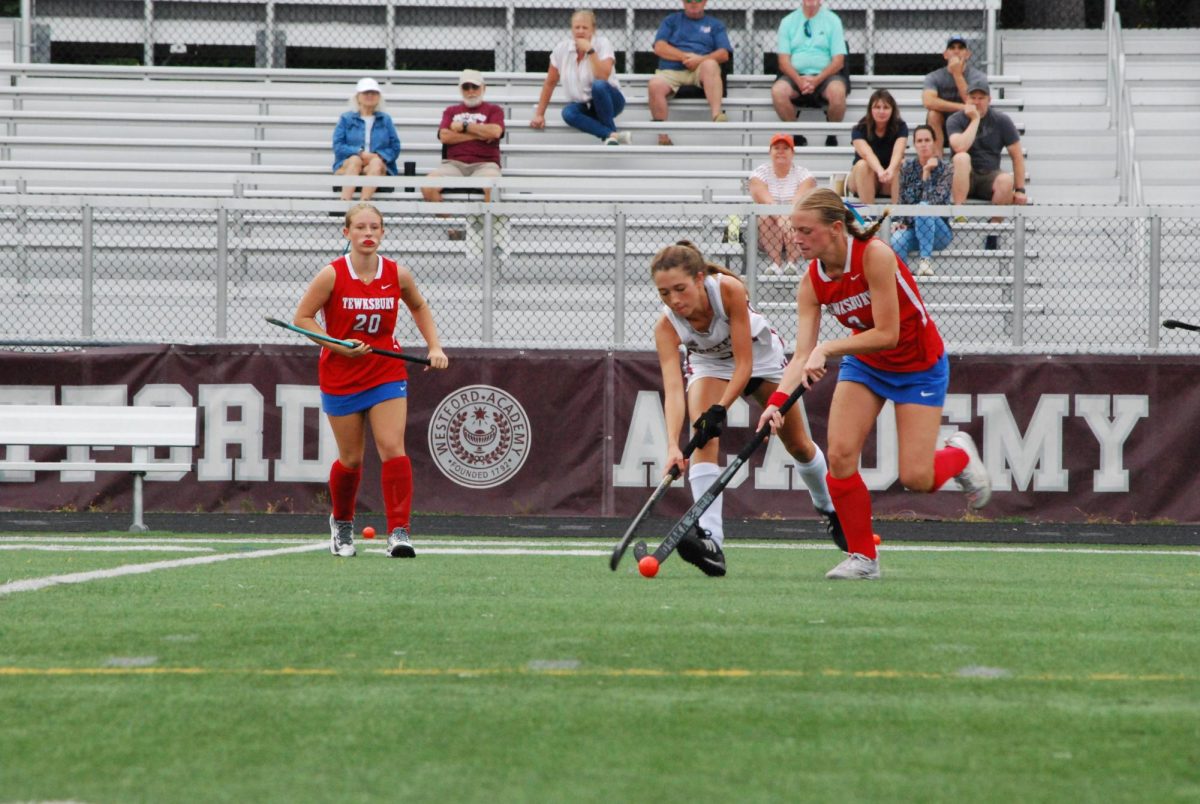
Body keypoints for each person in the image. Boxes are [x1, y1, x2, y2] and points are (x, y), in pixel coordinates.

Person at [756, 188, 991, 581]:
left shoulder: (875, 256)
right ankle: (864, 558)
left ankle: (960, 455)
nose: (795, 238)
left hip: (918, 364)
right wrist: (777, 402)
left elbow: (888, 333)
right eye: (794, 229)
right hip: (866, 365)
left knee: (918, 479)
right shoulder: (811, 281)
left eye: (804, 230)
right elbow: (800, 355)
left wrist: (828, 348)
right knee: (841, 456)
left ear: (834, 229)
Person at [651, 240, 844, 577]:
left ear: (699, 278)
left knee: (798, 445)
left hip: (761, 361)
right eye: (664, 293)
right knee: (703, 439)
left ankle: (830, 509)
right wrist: (671, 446)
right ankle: (711, 542)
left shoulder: (728, 291)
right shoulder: (666, 327)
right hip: (710, 366)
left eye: (680, 289)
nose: (674, 301)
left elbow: (745, 365)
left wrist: (720, 409)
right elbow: (672, 389)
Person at [293, 202, 449, 559]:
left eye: (374, 228)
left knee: (392, 446)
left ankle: (399, 531)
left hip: (385, 371)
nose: (368, 234)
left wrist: (434, 346)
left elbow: (419, 306)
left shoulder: (397, 273)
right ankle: (342, 524)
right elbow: (303, 318)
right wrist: (336, 344)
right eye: (360, 228)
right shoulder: (332, 274)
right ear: (346, 233)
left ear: (383, 232)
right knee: (350, 459)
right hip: (340, 373)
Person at [946, 79, 1027, 248]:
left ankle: (993, 229)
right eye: (972, 97)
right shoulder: (955, 119)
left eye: (981, 98)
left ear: (989, 100)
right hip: (963, 176)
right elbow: (959, 146)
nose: (976, 102)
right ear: (966, 99)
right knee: (961, 158)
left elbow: (1017, 155)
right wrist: (975, 120)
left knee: (1006, 180)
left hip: (989, 175)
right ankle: (960, 212)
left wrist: (1020, 190)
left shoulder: (1001, 120)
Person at [531, 9, 630, 146]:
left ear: (593, 29)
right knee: (568, 113)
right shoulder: (561, 49)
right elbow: (550, 82)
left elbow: (602, 76)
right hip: (585, 104)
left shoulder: (602, 43)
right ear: (572, 29)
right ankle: (611, 135)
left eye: (585, 27)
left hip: (611, 100)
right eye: (577, 27)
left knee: (598, 86)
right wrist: (539, 114)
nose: (580, 31)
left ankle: (610, 134)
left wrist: (590, 51)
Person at [647, 0, 733, 146]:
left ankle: (717, 115)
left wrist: (700, 60)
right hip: (671, 70)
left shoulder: (715, 24)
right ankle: (662, 136)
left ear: (705, 2)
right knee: (654, 85)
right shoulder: (671, 21)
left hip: (700, 70)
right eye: (688, 0)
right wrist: (684, 57)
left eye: (697, 0)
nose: (693, 3)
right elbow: (659, 47)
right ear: (683, 2)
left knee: (711, 65)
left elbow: (724, 53)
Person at [771, 0, 848, 147]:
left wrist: (817, 80)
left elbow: (838, 61)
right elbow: (783, 61)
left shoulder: (833, 20)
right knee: (778, 91)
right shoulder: (787, 21)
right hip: (795, 76)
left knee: (838, 93)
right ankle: (796, 133)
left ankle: (832, 133)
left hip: (826, 77)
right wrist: (799, 81)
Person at [422, 69, 505, 204]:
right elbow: (445, 136)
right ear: (461, 89)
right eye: (466, 87)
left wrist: (464, 126)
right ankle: (449, 225)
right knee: (427, 186)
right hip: (453, 165)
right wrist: (479, 134)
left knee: (493, 186)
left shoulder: (494, 110)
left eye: (475, 86)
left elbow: (495, 132)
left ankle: (487, 225)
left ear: (484, 88)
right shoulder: (451, 111)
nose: (471, 91)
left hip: (485, 165)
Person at [748, 133, 817, 275]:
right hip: (768, 227)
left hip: (795, 221)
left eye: (785, 148)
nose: (780, 151)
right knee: (765, 217)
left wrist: (788, 219)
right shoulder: (759, 173)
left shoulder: (804, 174)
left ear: (793, 153)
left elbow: (799, 201)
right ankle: (776, 263)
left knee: (800, 217)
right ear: (770, 152)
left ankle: (791, 263)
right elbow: (765, 200)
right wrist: (781, 219)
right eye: (776, 148)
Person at [892, 124, 954, 277]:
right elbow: (904, 201)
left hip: (939, 232)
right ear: (915, 144)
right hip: (913, 227)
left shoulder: (945, 169)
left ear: (934, 142)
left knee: (924, 207)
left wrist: (926, 172)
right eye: (919, 141)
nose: (924, 144)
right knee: (896, 241)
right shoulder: (907, 168)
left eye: (927, 140)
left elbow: (934, 204)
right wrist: (899, 221)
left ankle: (925, 261)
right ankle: (905, 279)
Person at [331, 77, 402, 203]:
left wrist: (379, 156)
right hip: (350, 164)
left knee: (375, 163)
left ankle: (363, 203)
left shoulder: (385, 119)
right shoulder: (346, 118)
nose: (370, 95)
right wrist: (359, 152)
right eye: (366, 93)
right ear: (358, 96)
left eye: (374, 93)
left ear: (379, 96)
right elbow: (338, 145)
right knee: (355, 160)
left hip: (377, 166)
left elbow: (395, 147)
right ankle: (344, 203)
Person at [922, 35, 989, 153]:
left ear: (967, 54)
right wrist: (962, 107)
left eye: (961, 48)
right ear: (945, 54)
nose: (956, 51)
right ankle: (938, 163)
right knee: (933, 114)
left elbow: (973, 103)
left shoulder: (978, 77)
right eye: (952, 48)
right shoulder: (934, 76)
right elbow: (928, 101)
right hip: (942, 127)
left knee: (973, 114)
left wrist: (957, 74)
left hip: (966, 125)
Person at [846, 88, 907, 205]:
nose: (881, 111)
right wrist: (880, 171)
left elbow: (898, 152)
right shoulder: (859, 128)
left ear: (892, 110)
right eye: (877, 107)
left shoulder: (900, 126)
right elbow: (866, 154)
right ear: (870, 109)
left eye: (886, 107)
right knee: (863, 164)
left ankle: (898, 217)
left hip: (888, 179)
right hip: (863, 178)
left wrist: (889, 170)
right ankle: (870, 218)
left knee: (903, 164)